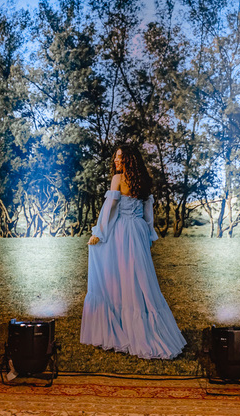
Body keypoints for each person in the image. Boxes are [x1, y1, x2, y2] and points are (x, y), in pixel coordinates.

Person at [80, 145, 186, 359]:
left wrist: (98, 232)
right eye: (116, 157)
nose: (116, 161)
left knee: (120, 279)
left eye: (120, 157)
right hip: (137, 232)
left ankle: (126, 331)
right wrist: (147, 236)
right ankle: (142, 330)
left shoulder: (117, 180)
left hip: (121, 232)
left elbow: (109, 210)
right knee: (138, 282)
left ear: (129, 159)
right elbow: (148, 216)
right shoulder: (143, 182)